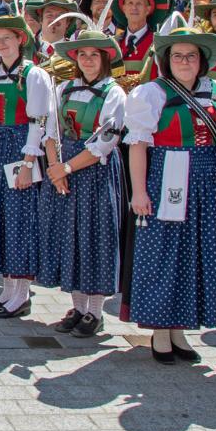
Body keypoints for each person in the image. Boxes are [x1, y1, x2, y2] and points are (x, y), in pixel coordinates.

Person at [125, 30, 216, 362]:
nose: (184, 62)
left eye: (190, 56)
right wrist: (139, 191)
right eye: (176, 56)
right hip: (166, 177)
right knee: (164, 254)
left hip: (206, 182)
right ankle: (160, 331)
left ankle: (180, 330)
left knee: (195, 255)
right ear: (166, 61)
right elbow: (139, 145)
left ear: (201, 60)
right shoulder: (151, 93)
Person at [39, 28, 127, 337]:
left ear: (104, 59)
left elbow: (105, 141)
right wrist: (54, 168)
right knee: (71, 238)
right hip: (63, 170)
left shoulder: (114, 92)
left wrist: (65, 167)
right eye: (83, 55)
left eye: (94, 55)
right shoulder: (62, 89)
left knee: (94, 238)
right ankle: (78, 306)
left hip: (94, 171)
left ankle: (95, 311)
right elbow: (49, 131)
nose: (88, 60)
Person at [0, 13, 53, 318]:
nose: (2, 44)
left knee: (19, 219)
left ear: (21, 39)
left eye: (8, 38)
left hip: (20, 149)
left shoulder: (33, 75)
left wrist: (29, 162)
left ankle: (22, 293)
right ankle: (7, 289)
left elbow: (39, 120)